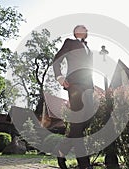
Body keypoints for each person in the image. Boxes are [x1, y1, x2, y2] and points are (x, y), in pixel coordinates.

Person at [52, 25, 94, 169]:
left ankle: (61, 151)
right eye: (84, 28)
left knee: (84, 121)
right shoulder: (70, 42)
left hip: (88, 87)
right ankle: (84, 164)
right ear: (77, 31)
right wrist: (59, 76)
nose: (87, 30)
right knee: (78, 120)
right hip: (74, 84)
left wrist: (93, 88)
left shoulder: (89, 49)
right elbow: (57, 59)